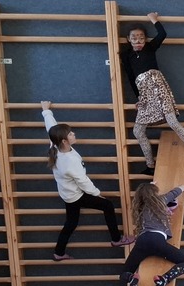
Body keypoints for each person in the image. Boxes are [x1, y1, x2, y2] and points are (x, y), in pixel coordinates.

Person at [40, 102, 134, 261]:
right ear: (64, 141)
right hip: (75, 195)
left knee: (71, 222)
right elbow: (83, 182)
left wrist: (46, 111)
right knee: (107, 205)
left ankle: (59, 252)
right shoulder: (69, 162)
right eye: (70, 134)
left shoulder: (55, 145)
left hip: (67, 193)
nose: (73, 134)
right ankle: (116, 239)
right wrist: (97, 194)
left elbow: (51, 127)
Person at [119, 12, 184, 175]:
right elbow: (131, 78)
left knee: (173, 122)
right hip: (144, 92)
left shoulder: (150, 48)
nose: (138, 41)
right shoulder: (126, 55)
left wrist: (154, 20)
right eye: (134, 38)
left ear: (145, 39)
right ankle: (150, 165)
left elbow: (162, 34)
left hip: (158, 88)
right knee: (137, 131)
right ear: (128, 39)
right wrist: (139, 97)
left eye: (141, 38)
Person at [120, 182, 184, 286]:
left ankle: (132, 280)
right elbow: (173, 193)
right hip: (157, 240)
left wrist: (149, 185)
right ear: (154, 193)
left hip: (142, 242)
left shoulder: (139, 209)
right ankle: (164, 279)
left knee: (124, 273)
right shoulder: (159, 201)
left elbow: (144, 193)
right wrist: (183, 187)